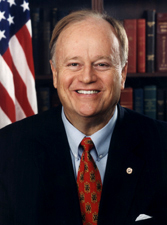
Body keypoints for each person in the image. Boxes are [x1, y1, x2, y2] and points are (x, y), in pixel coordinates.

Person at [0, 9, 167, 225]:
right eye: (73, 64)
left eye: (102, 64)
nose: (87, 77)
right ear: (55, 74)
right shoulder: (8, 148)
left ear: (123, 74)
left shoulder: (162, 144)